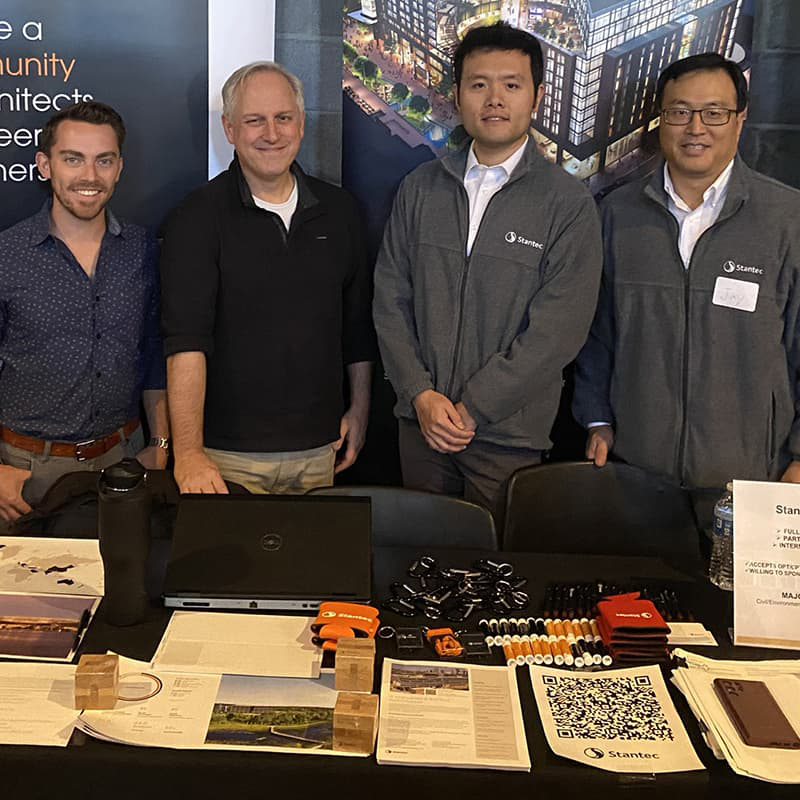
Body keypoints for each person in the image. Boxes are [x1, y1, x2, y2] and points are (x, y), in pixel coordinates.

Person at [373, 23, 602, 520]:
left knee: (497, 578)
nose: (494, 98)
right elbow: (390, 299)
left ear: (537, 97)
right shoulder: (420, 188)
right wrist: (421, 395)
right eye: (479, 84)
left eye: (511, 84)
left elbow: (557, 331)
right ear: (457, 96)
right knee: (421, 572)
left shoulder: (568, 205)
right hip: (421, 427)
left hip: (507, 438)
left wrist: (473, 408)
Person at [573, 52, 800, 498]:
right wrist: (596, 417)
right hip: (635, 473)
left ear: (739, 119)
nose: (696, 128)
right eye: (679, 112)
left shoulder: (787, 219)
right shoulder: (617, 214)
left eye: (714, 113)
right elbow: (596, 330)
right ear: (662, 121)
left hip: (756, 479)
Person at [161, 62, 375, 495]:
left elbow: (356, 328)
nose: (271, 134)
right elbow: (186, 343)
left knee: (312, 565)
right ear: (229, 129)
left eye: (283, 118)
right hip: (225, 459)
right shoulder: (196, 218)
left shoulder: (342, 212)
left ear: (300, 124)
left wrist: (360, 409)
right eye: (254, 120)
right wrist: (188, 454)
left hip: (320, 450)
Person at [0, 101, 168, 523]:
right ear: (44, 165)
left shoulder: (144, 250)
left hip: (125, 462)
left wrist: (161, 443)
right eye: (73, 159)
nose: (89, 176)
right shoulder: (8, 256)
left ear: (119, 167)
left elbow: (154, 354)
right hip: (25, 475)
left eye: (103, 161)